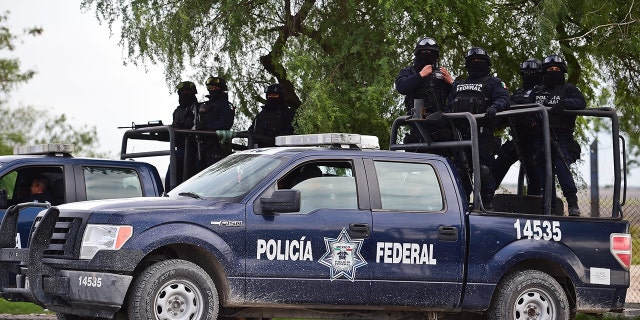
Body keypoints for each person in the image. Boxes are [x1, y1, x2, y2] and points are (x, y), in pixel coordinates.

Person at [446, 47, 510, 210]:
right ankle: (462, 205)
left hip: (482, 134)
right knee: (461, 171)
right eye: (472, 61)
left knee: (483, 170)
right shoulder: (459, 84)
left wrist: (495, 108)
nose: (476, 64)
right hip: (460, 136)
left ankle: (487, 204)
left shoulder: (494, 83)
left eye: (479, 61)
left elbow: (503, 99)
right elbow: (449, 105)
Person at [531, 54, 586, 216]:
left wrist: (564, 104)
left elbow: (581, 103)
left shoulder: (569, 89)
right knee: (542, 171)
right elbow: (526, 107)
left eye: (556, 69)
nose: (553, 71)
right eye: (550, 69)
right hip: (540, 137)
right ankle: (550, 206)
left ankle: (573, 203)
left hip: (561, 137)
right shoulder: (538, 90)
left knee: (562, 168)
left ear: (562, 71)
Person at [492, 58, 544, 194]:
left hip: (535, 140)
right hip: (517, 138)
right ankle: (485, 198)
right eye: (525, 73)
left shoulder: (542, 92)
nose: (528, 76)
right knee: (497, 167)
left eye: (532, 72)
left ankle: (538, 205)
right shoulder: (518, 92)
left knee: (535, 175)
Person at [395, 37, 454, 146]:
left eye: (431, 52)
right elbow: (401, 87)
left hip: (441, 126)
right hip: (418, 125)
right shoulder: (409, 72)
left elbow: (455, 98)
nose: (428, 54)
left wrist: (451, 83)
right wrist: (420, 75)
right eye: (425, 52)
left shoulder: (441, 74)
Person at [196, 76, 235, 170]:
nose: (212, 89)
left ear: (221, 88)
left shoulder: (227, 105)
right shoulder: (203, 105)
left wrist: (205, 127)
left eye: (215, 87)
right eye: (210, 88)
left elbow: (226, 123)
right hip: (201, 146)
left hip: (218, 147)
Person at [165, 81, 198, 191]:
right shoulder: (178, 111)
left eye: (187, 92)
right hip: (180, 148)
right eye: (182, 92)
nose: (184, 94)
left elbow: (196, 126)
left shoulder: (197, 109)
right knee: (171, 179)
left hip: (194, 149)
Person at [248, 83, 295, 148]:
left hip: (279, 152)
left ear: (281, 96)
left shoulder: (288, 113)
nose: (272, 97)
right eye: (269, 95)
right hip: (258, 151)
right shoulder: (261, 114)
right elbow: (251, 131)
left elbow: (290, 134)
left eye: (274, 95)